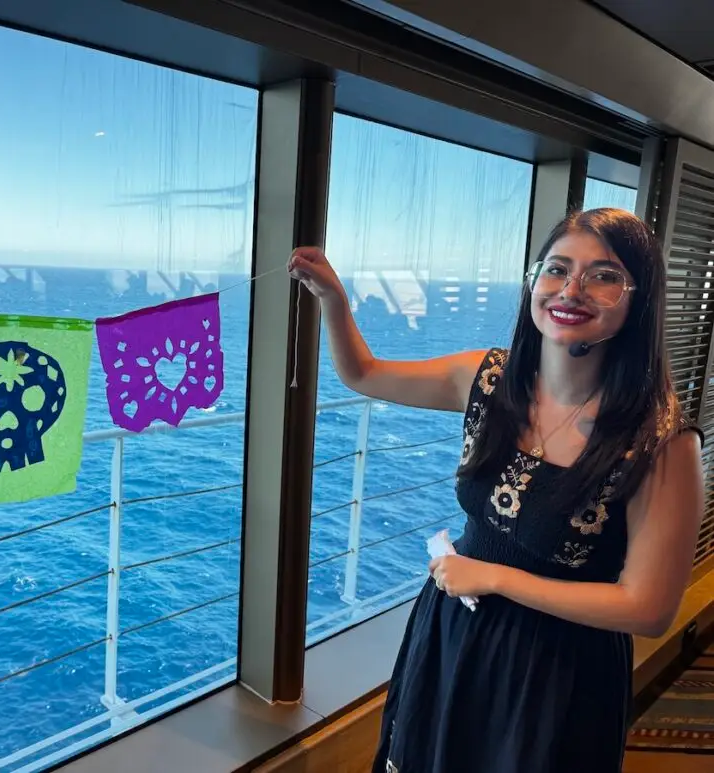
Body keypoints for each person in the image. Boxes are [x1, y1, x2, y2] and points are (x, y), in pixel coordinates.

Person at [288, 208, 704, 773]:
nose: (572, 289)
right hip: (456, 627)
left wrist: (497, 578)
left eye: (604, 276)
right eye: (557, 269)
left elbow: (649, 608)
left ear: (640, 301)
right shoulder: (488, 380)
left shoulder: (661, 442)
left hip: (558, 665)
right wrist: (334, 301)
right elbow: (363, 374)